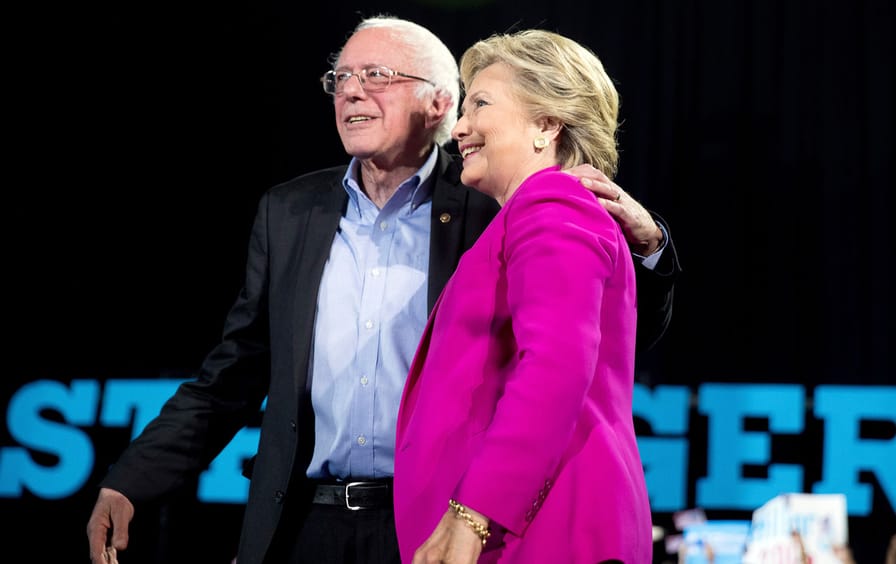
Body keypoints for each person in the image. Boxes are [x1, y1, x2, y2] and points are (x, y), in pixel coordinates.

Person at [86, 16, 680, 564]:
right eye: (339, 77)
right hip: (309, 521)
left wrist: (649, 244)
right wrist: (135, 476)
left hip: (448, 518)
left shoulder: (504, 204)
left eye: (377, 75)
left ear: (439, 104)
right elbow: (236, 371)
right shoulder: (290, 213)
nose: (350, 89)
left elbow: (576, 353)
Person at [393, 29, 652, 564]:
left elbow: (556, 365)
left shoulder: (553, 206)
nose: (459, 128)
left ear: (547, 124)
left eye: (481, 104)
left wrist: (471, 516)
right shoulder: (530, 214)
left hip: (538, 530)